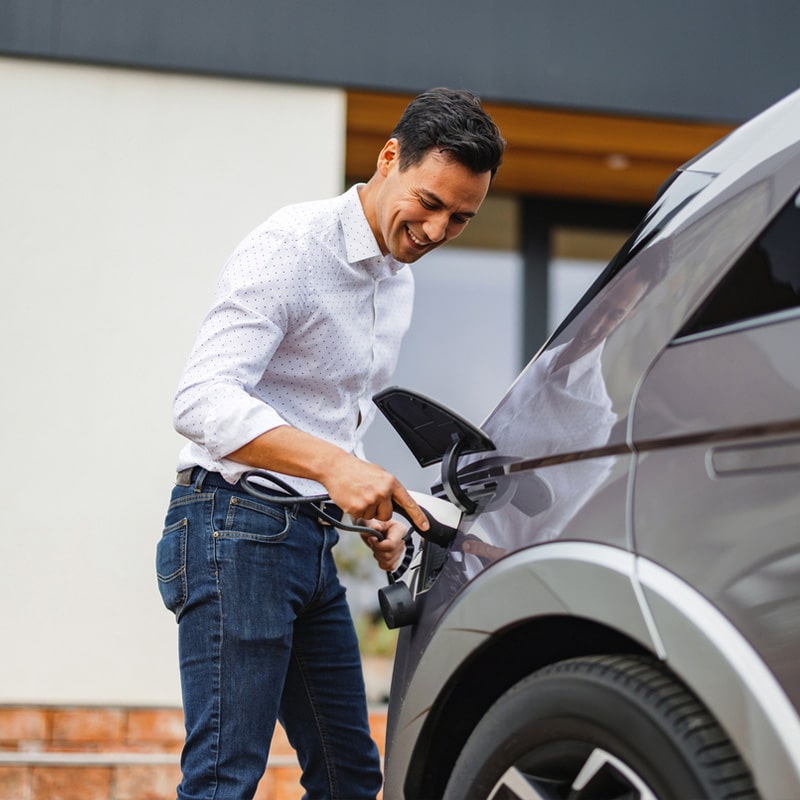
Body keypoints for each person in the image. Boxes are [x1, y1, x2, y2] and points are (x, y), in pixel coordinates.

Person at [156, 87, 505, 799]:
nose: (438, 230)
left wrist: (361, 502)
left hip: (308, 544)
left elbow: (327, 419)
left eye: (461, 219)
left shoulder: (396, 280)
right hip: (232, 530)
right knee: (225, 779)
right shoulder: (291, 246)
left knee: (351, 777)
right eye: (430, 202)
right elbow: (200, 400)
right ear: (388, 159)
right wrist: (335, 467)